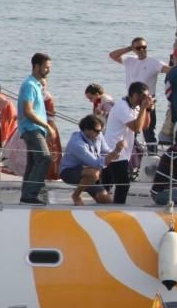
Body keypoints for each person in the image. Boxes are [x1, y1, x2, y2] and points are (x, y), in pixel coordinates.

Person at [109, 37, 170, 150]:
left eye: (144, 47)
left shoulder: (154, 62)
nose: (142, 50)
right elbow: (112, 55)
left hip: (147, 101)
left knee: (148, 131)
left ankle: (152, 155)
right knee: (131, 131)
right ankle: (133, 155)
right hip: (132, 101)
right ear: (134, 49)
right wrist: (129, 48)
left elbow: (169, 70)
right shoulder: (129, 60)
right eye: (138, 48)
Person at [103, 81, 153, 205]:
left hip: (122, 152)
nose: (145, 100)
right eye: (143, 97)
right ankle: (117, 208)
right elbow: (136, 127)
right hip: (114, 151)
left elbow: (144, 126)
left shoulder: (134, 107)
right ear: (135, 95)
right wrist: (142, 108)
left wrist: (147, 110)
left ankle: (104, 205)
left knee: (106, 183)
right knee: (123, 184)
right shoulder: (122, 107)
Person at [60, 115, 124, 205]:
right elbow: (96, 163)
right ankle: (76, 195)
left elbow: (105, 150)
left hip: (90, 174)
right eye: (97, 131)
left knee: (107, 202)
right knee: (93, 173)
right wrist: (114, 153)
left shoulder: (98, 135)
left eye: (101, 130)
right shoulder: (77, 143)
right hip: (69, 172)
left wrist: (117, 152)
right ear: (86, 130)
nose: (99, 133)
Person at [17, 53, 53, 205]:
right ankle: (29, 195)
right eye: (46, 67)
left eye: (49, 67)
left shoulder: (36, 85)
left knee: (33, 162)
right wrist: (47, 126)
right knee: (44, 157)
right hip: (31, 128)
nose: (48, 70)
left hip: (36, 129)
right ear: (36, 66)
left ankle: (26, 194)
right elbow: (28, 111)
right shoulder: (29, 85)